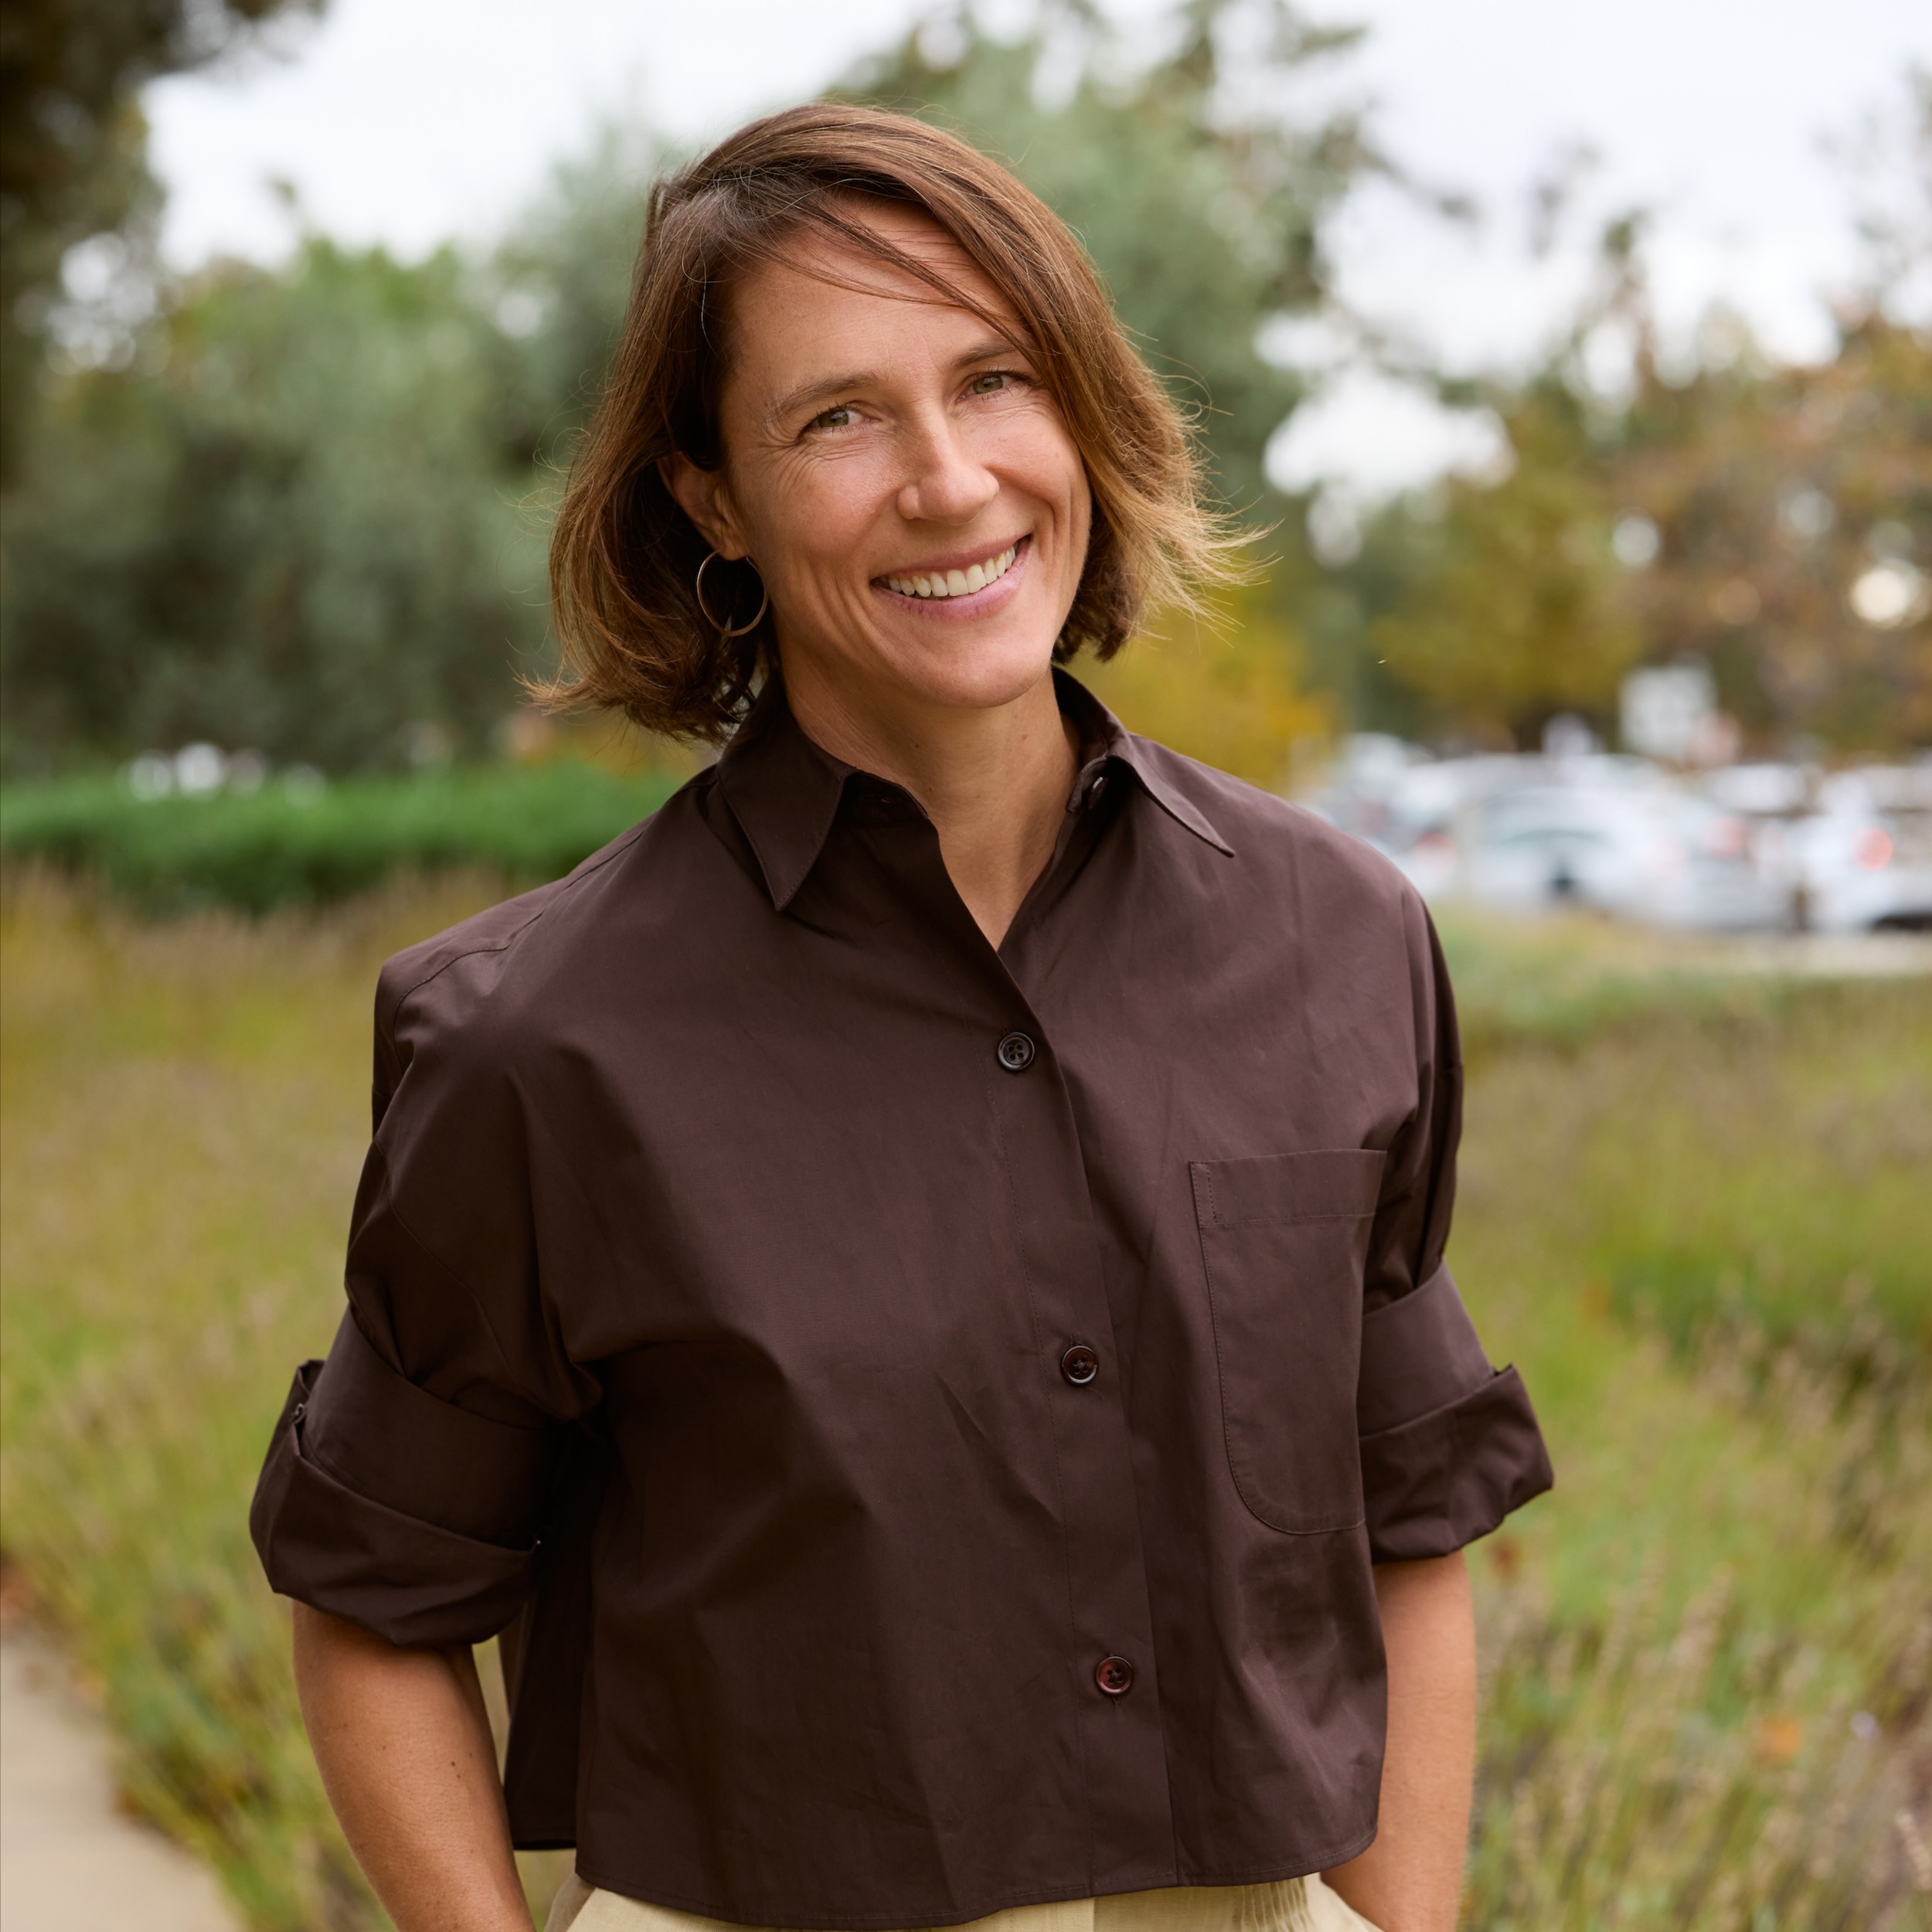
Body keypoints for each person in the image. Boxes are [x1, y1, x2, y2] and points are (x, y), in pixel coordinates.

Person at [251, 103, 1551, 1932]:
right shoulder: (534, 1043)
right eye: (837, 415)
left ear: (1083, 409)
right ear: (710, 492)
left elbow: (1404, 1512)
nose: (946, 480)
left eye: (996, 378)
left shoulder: (1334, 935)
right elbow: (372, 1594)